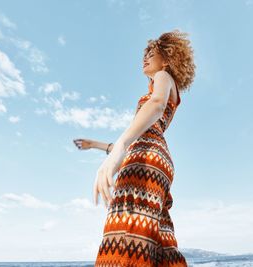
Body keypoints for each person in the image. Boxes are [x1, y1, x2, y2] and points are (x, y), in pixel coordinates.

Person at [73, 29, 195, 266]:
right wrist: (96, 145)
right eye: (145, 52)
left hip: (146, 156)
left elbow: (157, 105)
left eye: (152, 52)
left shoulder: (162, 76)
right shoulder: (167, 87)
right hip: (154, 156)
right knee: (155, 235)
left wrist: (121, 145)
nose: (145, 57)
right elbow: (139, 134)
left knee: (126, 235)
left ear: (167, 59)